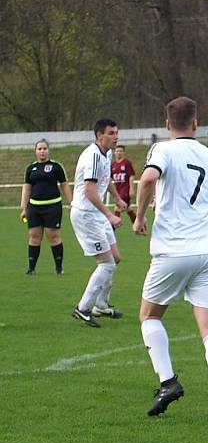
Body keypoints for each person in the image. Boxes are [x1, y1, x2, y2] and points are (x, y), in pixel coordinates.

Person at [133, 96, 208, 420]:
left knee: (149, 316)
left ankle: (168, 382)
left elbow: (148, 178)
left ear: (166, 124)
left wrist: (140, 216)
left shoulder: (162, 149)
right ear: (196, 123)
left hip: (173, 251)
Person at [70, 119, 127, 327]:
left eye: (116, 132)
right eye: (111, 133)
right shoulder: (93, 155)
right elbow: (89, 190)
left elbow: (106, 179)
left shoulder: (107, 153)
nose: (116, 136)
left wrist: (118, 198)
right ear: (99, 136)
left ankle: (101, 305)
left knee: (115, 259)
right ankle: (82, 308)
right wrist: (110, 215)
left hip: (97, 214)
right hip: (86, 214)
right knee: (106, 263)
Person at [20, 139, 72, 275]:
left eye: (44, 148)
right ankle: (31, 268)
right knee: (34, 236)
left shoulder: (56, 167)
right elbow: (26, 189)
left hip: (53, 207)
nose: (42, 151)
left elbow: (64, 185)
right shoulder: (31, 168)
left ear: (48, 150)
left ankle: (59, 268)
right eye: (39, 149)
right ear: (35, 151)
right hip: (34, 208)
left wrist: (71, 203)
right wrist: (24, 208)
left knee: (53, 236)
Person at [112, 144, 137, 225]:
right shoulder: (113, 165)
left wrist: (131, 189)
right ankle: (138, 223)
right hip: (118, 190)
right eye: (117, 151)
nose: (119, 153)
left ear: (123, 152)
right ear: (114, 152)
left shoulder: (126, 163)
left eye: (121, 151)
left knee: (117, 207)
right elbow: (109, 177)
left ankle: (115, 225)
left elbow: (131, 176)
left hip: (125, 189)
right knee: (128, 208)